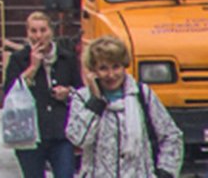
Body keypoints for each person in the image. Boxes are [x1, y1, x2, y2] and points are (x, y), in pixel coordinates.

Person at [66, 35, 183, 178]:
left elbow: (171, 135)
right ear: (93, 70)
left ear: (124, 66)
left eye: (116, 67)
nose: (111, 74)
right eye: (103, 68)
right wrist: (96, 102)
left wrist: (165, 171)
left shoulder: (142, 95)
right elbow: (78, 139)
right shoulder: (82, 98)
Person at [2, 12, 81, 178]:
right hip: (30, 134)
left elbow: (81, 91)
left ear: (51, 32)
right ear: (27, 33)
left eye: (43, 30)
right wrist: (32, 68)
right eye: (33, 31)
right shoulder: (18, 60)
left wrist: (67, 93)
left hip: (61, 132)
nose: (38, 36)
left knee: (66, 174)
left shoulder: (66, 58)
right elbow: (9, 94)